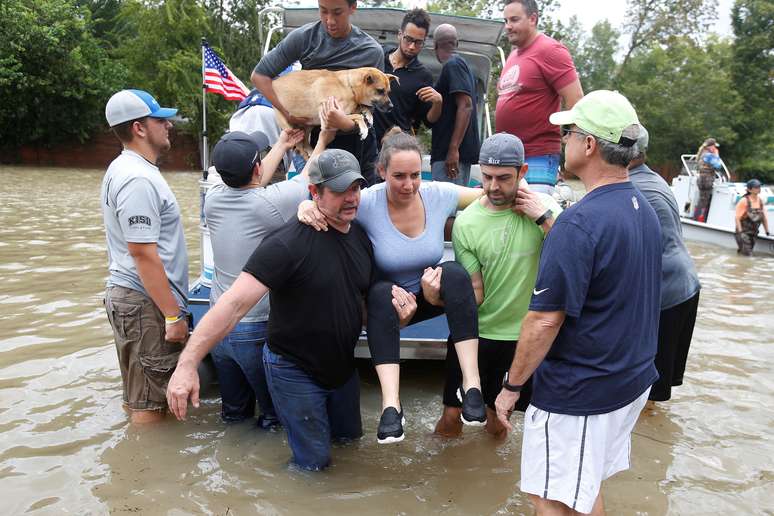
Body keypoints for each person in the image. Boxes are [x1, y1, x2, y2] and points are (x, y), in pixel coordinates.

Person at [495, 90, 661, 515]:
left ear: (589, 145)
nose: (562, 140)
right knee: (580, 490)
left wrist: (512, 387)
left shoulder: (578, 223)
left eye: (568, 132)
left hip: (583, 390)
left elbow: (543, 321)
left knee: (549, 496)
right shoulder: (643, 207)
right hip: (631, 378)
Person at [167, 148, 374, 471]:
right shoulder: (286, 244)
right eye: (339, 190)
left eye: (355, 188)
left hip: (342, 369)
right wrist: (187, 364)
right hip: (295, 370)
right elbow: (233, 304)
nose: (351, 198)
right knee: (313, 465)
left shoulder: (360, 235)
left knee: (350, 445)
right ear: (314, 192)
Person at [298, 131, 485, 444]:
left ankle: (471, 384)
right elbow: (323, 203)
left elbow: (491, 193)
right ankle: (391, 406)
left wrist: (538, 201)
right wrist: (304, 207)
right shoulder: (367, 201)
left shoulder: (438, 194)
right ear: (381, 172)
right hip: (388, 307)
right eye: (399, 176)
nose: (409, 185)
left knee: (453, 272)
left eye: (415, 175)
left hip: (431, 295)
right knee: (380, 293)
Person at [435, 133, 562, 440]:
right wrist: (437, 295)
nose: (493, 187)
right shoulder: (467, 223)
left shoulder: (546, 209)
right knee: (451, 415)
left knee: (498, 417)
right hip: (476, 335)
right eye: (487, 177)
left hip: (522, 338)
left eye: (504, 178)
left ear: (523, 173)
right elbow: (474, 293)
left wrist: (542, 218)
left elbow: (577, 256)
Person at [206, 126, 312, 428]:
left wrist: (281, 143)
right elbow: (311, 175)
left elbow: (253, 180)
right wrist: (326, 137)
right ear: (256, 167)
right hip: (252, 328)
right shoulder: (268, 203)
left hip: (217, 326)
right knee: (273, 415)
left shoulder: (213, 199)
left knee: (234, 415)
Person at [101, 89, 188, 424]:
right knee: (153, 406)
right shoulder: (137, 178)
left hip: (132, 298)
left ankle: (136, 465)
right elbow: (142, 253)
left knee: (139, 395)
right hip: (145, 303)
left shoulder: (126, 168)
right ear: (139, 128)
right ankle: (150, 473)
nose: (168, 125)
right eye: (160, 120)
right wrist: (172, 316)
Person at [250, 0, 383, 185]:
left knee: (359, 207)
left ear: (353, 8)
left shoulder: (371, 51)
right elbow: (259, 76)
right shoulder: (304, 37)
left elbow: (370, 113)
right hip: (313, 142)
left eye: (337, 13)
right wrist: (288, 113)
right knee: (315, 207)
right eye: (323, 11)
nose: (329, 20)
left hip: (357, 145)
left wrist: (343, 123)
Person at [628, 126, 701, 403]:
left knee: (647, 390)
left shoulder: (634, 187)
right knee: (657, 386)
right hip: (684, 283)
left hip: (666, 292)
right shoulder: (654, 179)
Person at [495, 0, 584, 195]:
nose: (508, 26)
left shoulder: (550, 50)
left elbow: (576, 100)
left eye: (514, 19)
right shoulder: (513, 55)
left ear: (533, 19)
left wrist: (573, 143)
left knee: (533, 217)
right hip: (509, 156)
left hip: (538, 155)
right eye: (506, 20)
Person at [373, 8, 442, 145]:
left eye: (418, 42)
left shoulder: (423, 76)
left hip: (395, 148)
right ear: (400, 34)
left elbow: (429, 122)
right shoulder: (377, 56)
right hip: (365, 141)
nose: (411, 46)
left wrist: (438, 102)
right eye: (408, 39)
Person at [430, 24, 480, 186]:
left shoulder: (453, 64)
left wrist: (453, 149)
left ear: (435, 45)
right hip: (453, 156)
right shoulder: (465, 68)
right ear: (456, 43)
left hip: (449, 157)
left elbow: (466, 105)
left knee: (446, 208)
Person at [735, 178, 770, 256]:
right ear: (749, 190)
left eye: (759, 187)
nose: (759, 189)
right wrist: (740, 233)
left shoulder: (760, 201)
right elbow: (737, 218)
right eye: (756, 187)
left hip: (754, 233)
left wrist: (767, 231)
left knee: (744, 254)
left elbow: (764, 218)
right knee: (748, 255)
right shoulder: (744, 201)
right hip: (744, 233)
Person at [693, 137, 722, 221]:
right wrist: (717, 155)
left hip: (701, 178)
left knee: (701, 200)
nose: (715, 148)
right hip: (707, 179)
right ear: (710, 146)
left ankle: (697, 218)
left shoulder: (702, 153)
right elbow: (718, 166)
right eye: (714, 146)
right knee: (704, 201)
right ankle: (700, 220)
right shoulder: (709, 155)